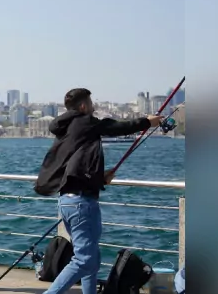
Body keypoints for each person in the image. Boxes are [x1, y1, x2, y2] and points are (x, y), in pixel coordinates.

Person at [34, 88, 164, 294]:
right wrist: (148, 121)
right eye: (91, 102)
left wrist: (99, 177)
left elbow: (73, 165)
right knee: (84, 259)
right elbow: (114, 127)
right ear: (84, 105)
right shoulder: (84, 122)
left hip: (69, 201)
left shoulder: (67, 129)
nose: (93, 106)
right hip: (80, 203)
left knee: (92, 259)